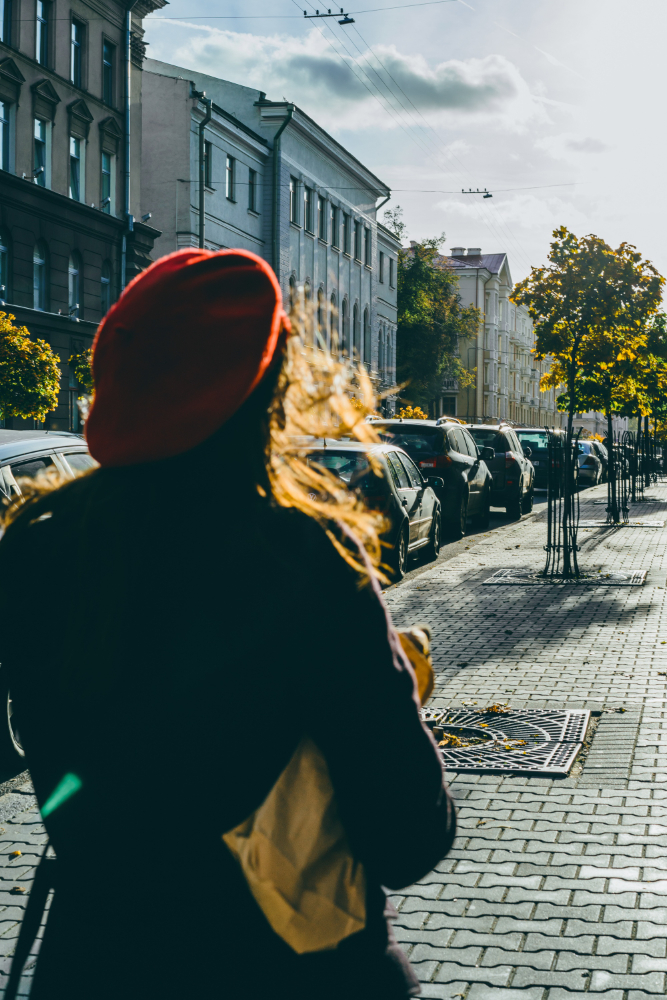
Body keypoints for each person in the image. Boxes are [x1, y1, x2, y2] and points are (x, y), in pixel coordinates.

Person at [0, 249, 455, 999]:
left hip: (101, 965)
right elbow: (408, 837)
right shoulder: (300, 557)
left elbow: (75, 792)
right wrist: (394, 688)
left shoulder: (38, 548)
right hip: (291, 971)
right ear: (266, 393)